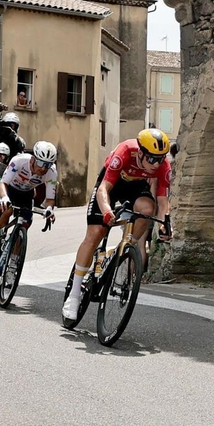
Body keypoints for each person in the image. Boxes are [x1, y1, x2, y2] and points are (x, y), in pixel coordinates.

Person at [64, 128, 174, 325]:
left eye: (160, 159)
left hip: (135, 187)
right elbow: (104, 189)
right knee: (95, 233)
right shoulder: (124, 151)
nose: (155, 164)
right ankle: (74, 294)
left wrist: (165, 224)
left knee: (147, 209)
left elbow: (163, 200)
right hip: (112, 184)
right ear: (140, 152)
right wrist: (107, 211)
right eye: (151, 159)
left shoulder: (162, 165)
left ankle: (126, 249)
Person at [0, 141, 58, 265]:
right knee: (6, 210)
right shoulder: (19, 161)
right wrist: (4, 198)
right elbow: (2, 183)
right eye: (41, 162)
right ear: (33, 159)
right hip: (9, 189)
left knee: (25, 224)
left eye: (48, 164)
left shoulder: (51, 173)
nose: (43, 168)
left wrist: (49, 209)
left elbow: (50, 199)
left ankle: (13, 264)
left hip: (27, 193)